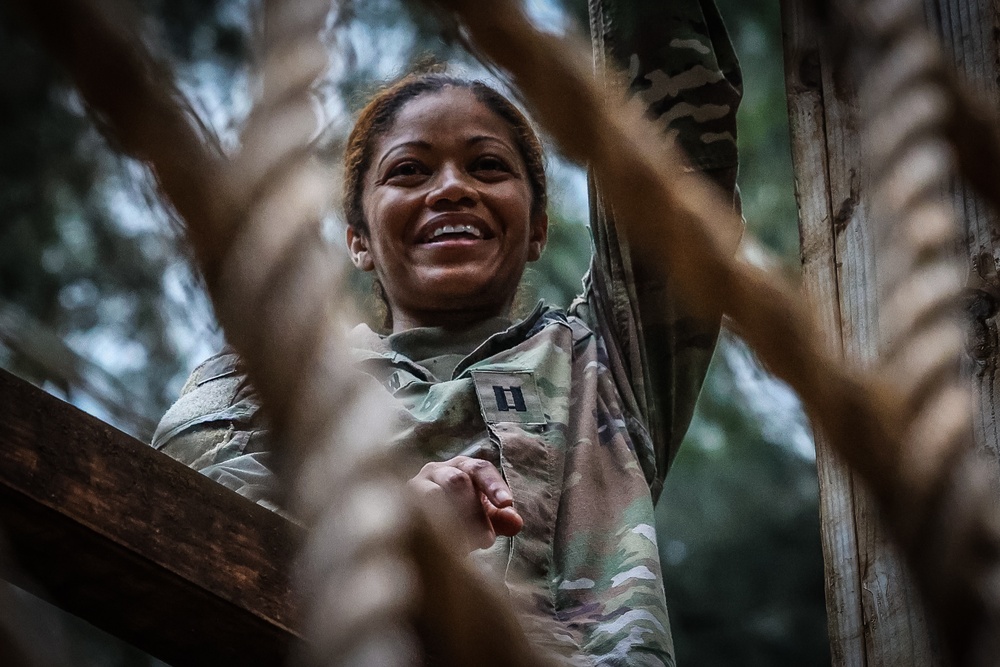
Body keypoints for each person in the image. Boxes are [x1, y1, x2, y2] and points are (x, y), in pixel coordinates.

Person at [152, 5, 742, 664]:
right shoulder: (262, 379)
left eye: (488, 166)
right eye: (409, 170)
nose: (453, 188)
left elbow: (675, 146)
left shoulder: (605, 367)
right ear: (358, 239)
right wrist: (390, 527)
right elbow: (177, 496)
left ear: (538, 227)